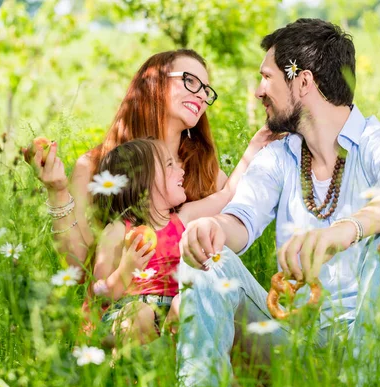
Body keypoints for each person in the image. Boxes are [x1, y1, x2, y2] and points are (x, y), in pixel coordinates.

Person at [176, 18, 380, 387]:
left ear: (302, 82)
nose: (257, 91)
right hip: (297, 346)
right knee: (209, 262)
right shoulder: (279, 157)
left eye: (266, 77)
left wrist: (343, 231)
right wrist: (212, 229)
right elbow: (240, 220)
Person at [31, 49, 269, 272]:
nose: (200, 94)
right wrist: (57, 191)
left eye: (206, 89)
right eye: (190, 81)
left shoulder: (206, 172)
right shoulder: (93, 166)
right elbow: (78, 269)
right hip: (121, 309)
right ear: (153, 83)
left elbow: (238, 221)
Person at [88, 138, 262, 345]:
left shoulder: (184, 217)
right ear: (143, 178)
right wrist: (126, 270)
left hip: (173, 311)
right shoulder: (117, 231)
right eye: (170, 164)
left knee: (186, 305)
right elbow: (100, 296)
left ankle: (164, 357)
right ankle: (130, 366)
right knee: (139, 313)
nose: (181, 169)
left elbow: (227, 194)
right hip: (128, 312)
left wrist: (255, 145)